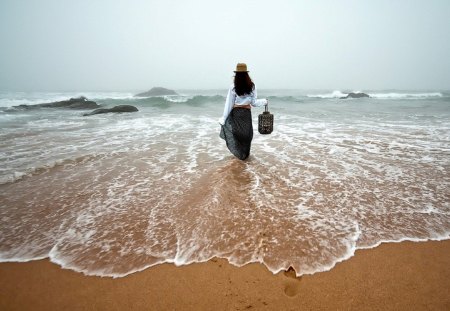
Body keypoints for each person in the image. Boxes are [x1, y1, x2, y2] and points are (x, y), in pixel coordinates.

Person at [219, 63, 268, 160]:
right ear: (246, 74)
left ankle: (240, 157)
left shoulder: (233, 86)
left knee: (237, 135)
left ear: (236, 74)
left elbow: (229, 103)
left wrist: (224, 117)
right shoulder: (252, 86)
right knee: (247, 136)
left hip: (236, 113)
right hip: (246, 114)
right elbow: (254, 103)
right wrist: (264, 101)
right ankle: (245, 156)